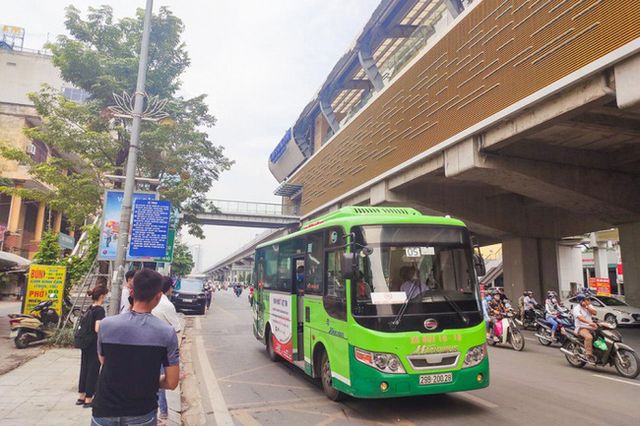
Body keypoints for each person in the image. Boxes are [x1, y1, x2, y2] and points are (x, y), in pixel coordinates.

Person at [92, 269, 180, 426]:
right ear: (159, 296)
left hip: (104, 410)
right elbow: (172, 382)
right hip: (141, 413)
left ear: (132, 292)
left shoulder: (106, 325)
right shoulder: (166, 333)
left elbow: (105, 362)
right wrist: (147, 378)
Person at [152, 277, 181, 423]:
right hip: (162, 350)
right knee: (161, 381)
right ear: (168, 288)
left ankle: (159, 412)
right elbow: (177, 328)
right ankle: (162, 412)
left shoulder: (150, 301)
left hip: (148, 348)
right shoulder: (167, 305)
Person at [76, 286, 108, 408]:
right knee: (93, 369)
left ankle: (81, 396)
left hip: (85, 342)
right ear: (101, 296)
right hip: (94, 343)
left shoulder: (90, 308)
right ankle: (89, 398)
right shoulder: (100, 310)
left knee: (84, 368)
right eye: (105, 295)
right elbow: (97, 328)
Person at [573, 294, 598, 363]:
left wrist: (587, 307)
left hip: (591, 327)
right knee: (589, 337)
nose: (589, 301)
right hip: (581, 327)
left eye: (589, 299)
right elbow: (580, 318)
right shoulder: (576, 308)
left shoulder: (589, 306)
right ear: (581, 301)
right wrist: (589, 322)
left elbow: (595, 313)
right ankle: (588, 355)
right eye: (587, 300)